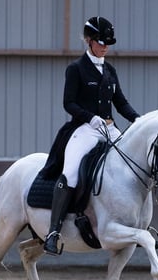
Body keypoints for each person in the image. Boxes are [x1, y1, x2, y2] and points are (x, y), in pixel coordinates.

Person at [42, 16, 140, 255]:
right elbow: (69, 103)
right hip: (84, 129)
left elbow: (121, 102)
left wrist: (138, 120)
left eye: (108, 42)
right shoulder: (76, 69)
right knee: (72, 171)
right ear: (88, 40)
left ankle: (141, 223)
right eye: (100, 41)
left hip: (109, 128)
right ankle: (53, 232)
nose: (105, 46)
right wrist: (89, 117)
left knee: (133, 166)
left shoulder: (110, 70)